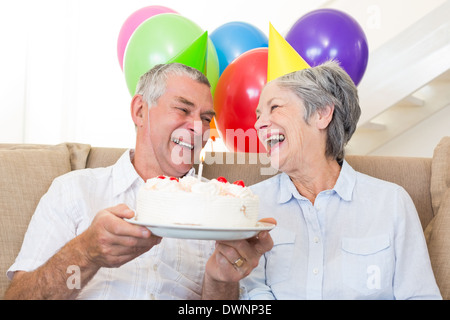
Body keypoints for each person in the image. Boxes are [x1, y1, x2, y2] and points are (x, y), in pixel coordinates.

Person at [5, 63, 274, 300]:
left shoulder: (220, 212)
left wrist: (220, 281)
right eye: (183, 109)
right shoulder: (74, 191)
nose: (199, 128)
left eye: (206, 119)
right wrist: (85, 254)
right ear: (140, 111)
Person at [241, 60, 442, 299]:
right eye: (258, 114)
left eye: (274, 107)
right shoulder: (250, 203)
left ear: (322, 113)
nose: (258, 124)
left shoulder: (392, 203)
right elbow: (252, 292)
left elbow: (420, 295)